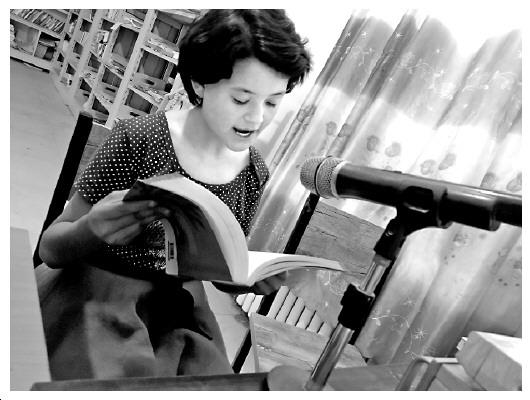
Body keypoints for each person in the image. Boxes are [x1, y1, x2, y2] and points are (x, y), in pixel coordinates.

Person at [37, 9, 312, 380]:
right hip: (95, 294)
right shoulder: (140, 139)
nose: (256, 118)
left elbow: (216, 267)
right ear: (199, 83)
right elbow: (50, 249)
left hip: (177, 311)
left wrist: (247, 278)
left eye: (273, 102)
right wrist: (91, 229)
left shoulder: (252, 173)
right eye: (241, 99)